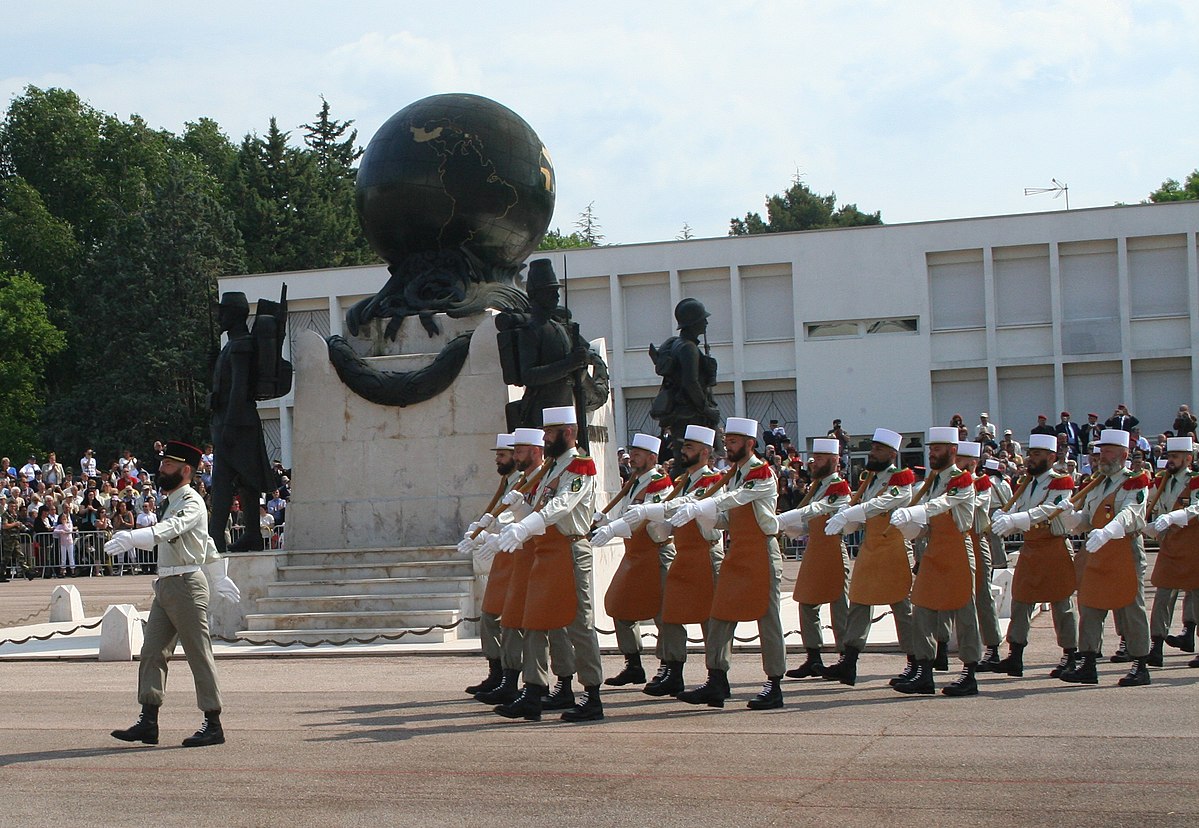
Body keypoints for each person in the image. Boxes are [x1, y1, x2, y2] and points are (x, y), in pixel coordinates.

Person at [107, 440, 241, 747]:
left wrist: (134, 536)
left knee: (198, 652)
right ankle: (148, 721)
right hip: (167, 584)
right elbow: (205, 542)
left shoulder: (190, 501)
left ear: (186, 470)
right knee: (153, 652)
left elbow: (174, 530)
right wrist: (219, 576)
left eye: (168, 465)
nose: (161, 469)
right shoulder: (172, 501)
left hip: (186, 584)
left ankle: (213, 721)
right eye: (162, 463)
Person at [489, 406, 603, 723]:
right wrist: (509, 521)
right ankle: (534, 690)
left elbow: (562, 504)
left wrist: (524, 525)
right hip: (546, 549)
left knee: (578, 623)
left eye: (550, 433)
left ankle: (592, 695)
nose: (546, 438)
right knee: (536, 621)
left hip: (570, 549)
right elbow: (538, 506)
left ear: (567, 433)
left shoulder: (580, 467)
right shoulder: (552, 468)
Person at [669, 416, 787, 710]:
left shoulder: (761, 472)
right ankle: (717, 680)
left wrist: (704, 506)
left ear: (749, 444)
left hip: (761, 551)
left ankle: (774, 684)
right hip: (738, 552)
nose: (728, 447)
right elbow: (728, 517)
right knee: (720, 615)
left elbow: (738, 499)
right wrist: (706, 517)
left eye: (733, 442)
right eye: (727, 442)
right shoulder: (733, 473)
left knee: (767, 619)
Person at [624, 424, 725, 696]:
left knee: (710, 620)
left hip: (706, 552)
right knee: (671, 614)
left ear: (705, 452)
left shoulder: (711, 481)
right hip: (684, 552)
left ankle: (717, 677)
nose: (683, 452)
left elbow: (687, 505)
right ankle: (674, 672)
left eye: (689, 448)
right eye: (683, 447)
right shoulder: (683, 481)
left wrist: (651, 512)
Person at [889, 428, 981, 696]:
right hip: (934, 548)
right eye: (931, 449)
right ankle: (924, 671)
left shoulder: (962, 480)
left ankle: (969, 672)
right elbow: (928, 522)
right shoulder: (933, 480)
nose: (932, 453)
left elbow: (942, 505)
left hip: (958, 550)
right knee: (923, 609)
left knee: (964, 612)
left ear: (953, 451)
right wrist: (909, 528)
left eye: (937, 449)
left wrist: (913, 512)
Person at [1057, 429, 1152, 686]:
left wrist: (1109, 531)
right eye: (1100, 451)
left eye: (1108, 451)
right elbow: (1086, 520)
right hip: (1098, 551)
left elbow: (1131, 513)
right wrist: (1067, 515)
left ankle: (1140, 663)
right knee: (1090, 604)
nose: (1102, 456)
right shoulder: (1097, 482)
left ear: (1123, 454)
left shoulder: (1135, 480)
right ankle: (1087, 661)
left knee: (1132, 606)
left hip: (1124, 549)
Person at [825, 428, 916, 686]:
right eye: (872, 448)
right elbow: (861, 510)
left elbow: (884, 503)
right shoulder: (870, 478)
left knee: (902, 607)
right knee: (859, 604)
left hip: (894, 547)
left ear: (891, 453)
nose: (872, 453)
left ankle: (916, 662)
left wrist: (851, 514)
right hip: (871, 546)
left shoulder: (901, 478)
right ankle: (849, 661)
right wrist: (846, 520)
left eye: (877, 449)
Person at [990, 433, 1080, 678]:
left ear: (1052, 457)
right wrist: (1005, 522)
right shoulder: (1028, 483)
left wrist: (1015, 519)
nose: (1031, 459)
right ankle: (1015, 655)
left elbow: (1050, 510)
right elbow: (1020, 511)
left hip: (1053, 546)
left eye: (1038, 454)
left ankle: (1070, 655)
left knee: (1062, 603)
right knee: (1021, 600)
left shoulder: (1060, 482)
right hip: (1032, 547)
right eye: (1031, 454)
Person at [592, 433, 676, 689]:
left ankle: (668, 667)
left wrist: (613, 528)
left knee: (663, 615)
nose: (633, 457)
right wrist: (606, 521)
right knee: (619, 606)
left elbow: (644, 519)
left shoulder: (659, 483)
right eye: (633, 452)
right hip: (635, 553)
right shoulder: (634, 482)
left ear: (652, 458)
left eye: (638, 454)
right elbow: (627, 515)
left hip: (656, 552)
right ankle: (634, 664)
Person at [776, 438, 853, 682]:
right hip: (815, 547)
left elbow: (816, 510)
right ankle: (814, 656)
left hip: (832, 548)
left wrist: (785, 519)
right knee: (807, 602)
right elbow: (807, 520)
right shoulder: (817, 485)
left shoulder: (838, 486)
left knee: (840, 606)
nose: (814, 463)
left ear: (834, 461)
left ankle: (844, 659)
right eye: (814, 458)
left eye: (820, 459)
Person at [209, 291, 275, 553]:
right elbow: (224, 387)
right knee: (242, 482)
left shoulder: (241, 345)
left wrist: (230, 425)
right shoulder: (230, 346)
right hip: (229, 420)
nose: (220, 317)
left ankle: (216, 537)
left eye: (223, 312)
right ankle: (250, 535)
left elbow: (239, 388)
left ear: (234, 315)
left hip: (238, 422)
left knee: (226, 482)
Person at [458, 433, 521, 697]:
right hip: (502, 556)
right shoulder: (508, 482)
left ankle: (510, 677)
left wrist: (487, 533)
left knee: (511, 620)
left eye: (502, 455)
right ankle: (497, 672)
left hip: (516, 553)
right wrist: (480, 529)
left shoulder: (524, 483)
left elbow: (513, 519)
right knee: (490, 615)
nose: (497, 459)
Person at [1142, 436, 1199, 667]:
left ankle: (1191, 635)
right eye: (1168, 457)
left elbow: (1197, 508)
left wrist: (1172, 517)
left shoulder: (1195, 481)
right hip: (1170, 545)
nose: (1170, 461)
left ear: (1188, 458)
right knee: (1163, 594)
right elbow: (1149, 506)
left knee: (1197, 596)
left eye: (1175, 457)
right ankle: (1156, 644)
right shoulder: (1161, 480)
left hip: (1193, 544)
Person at [52, 512, 76, 577]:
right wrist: (61, 531)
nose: (64, 520)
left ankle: (73, 571)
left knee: (71, 557)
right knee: (63, 558)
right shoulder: (59, 526)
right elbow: (55, 531)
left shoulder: (69, 524)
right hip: (63, 543)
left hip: (69, 542)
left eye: (65, 519)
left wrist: (65, 524)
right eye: (62, 519)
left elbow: (69, 530)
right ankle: (62, 571)